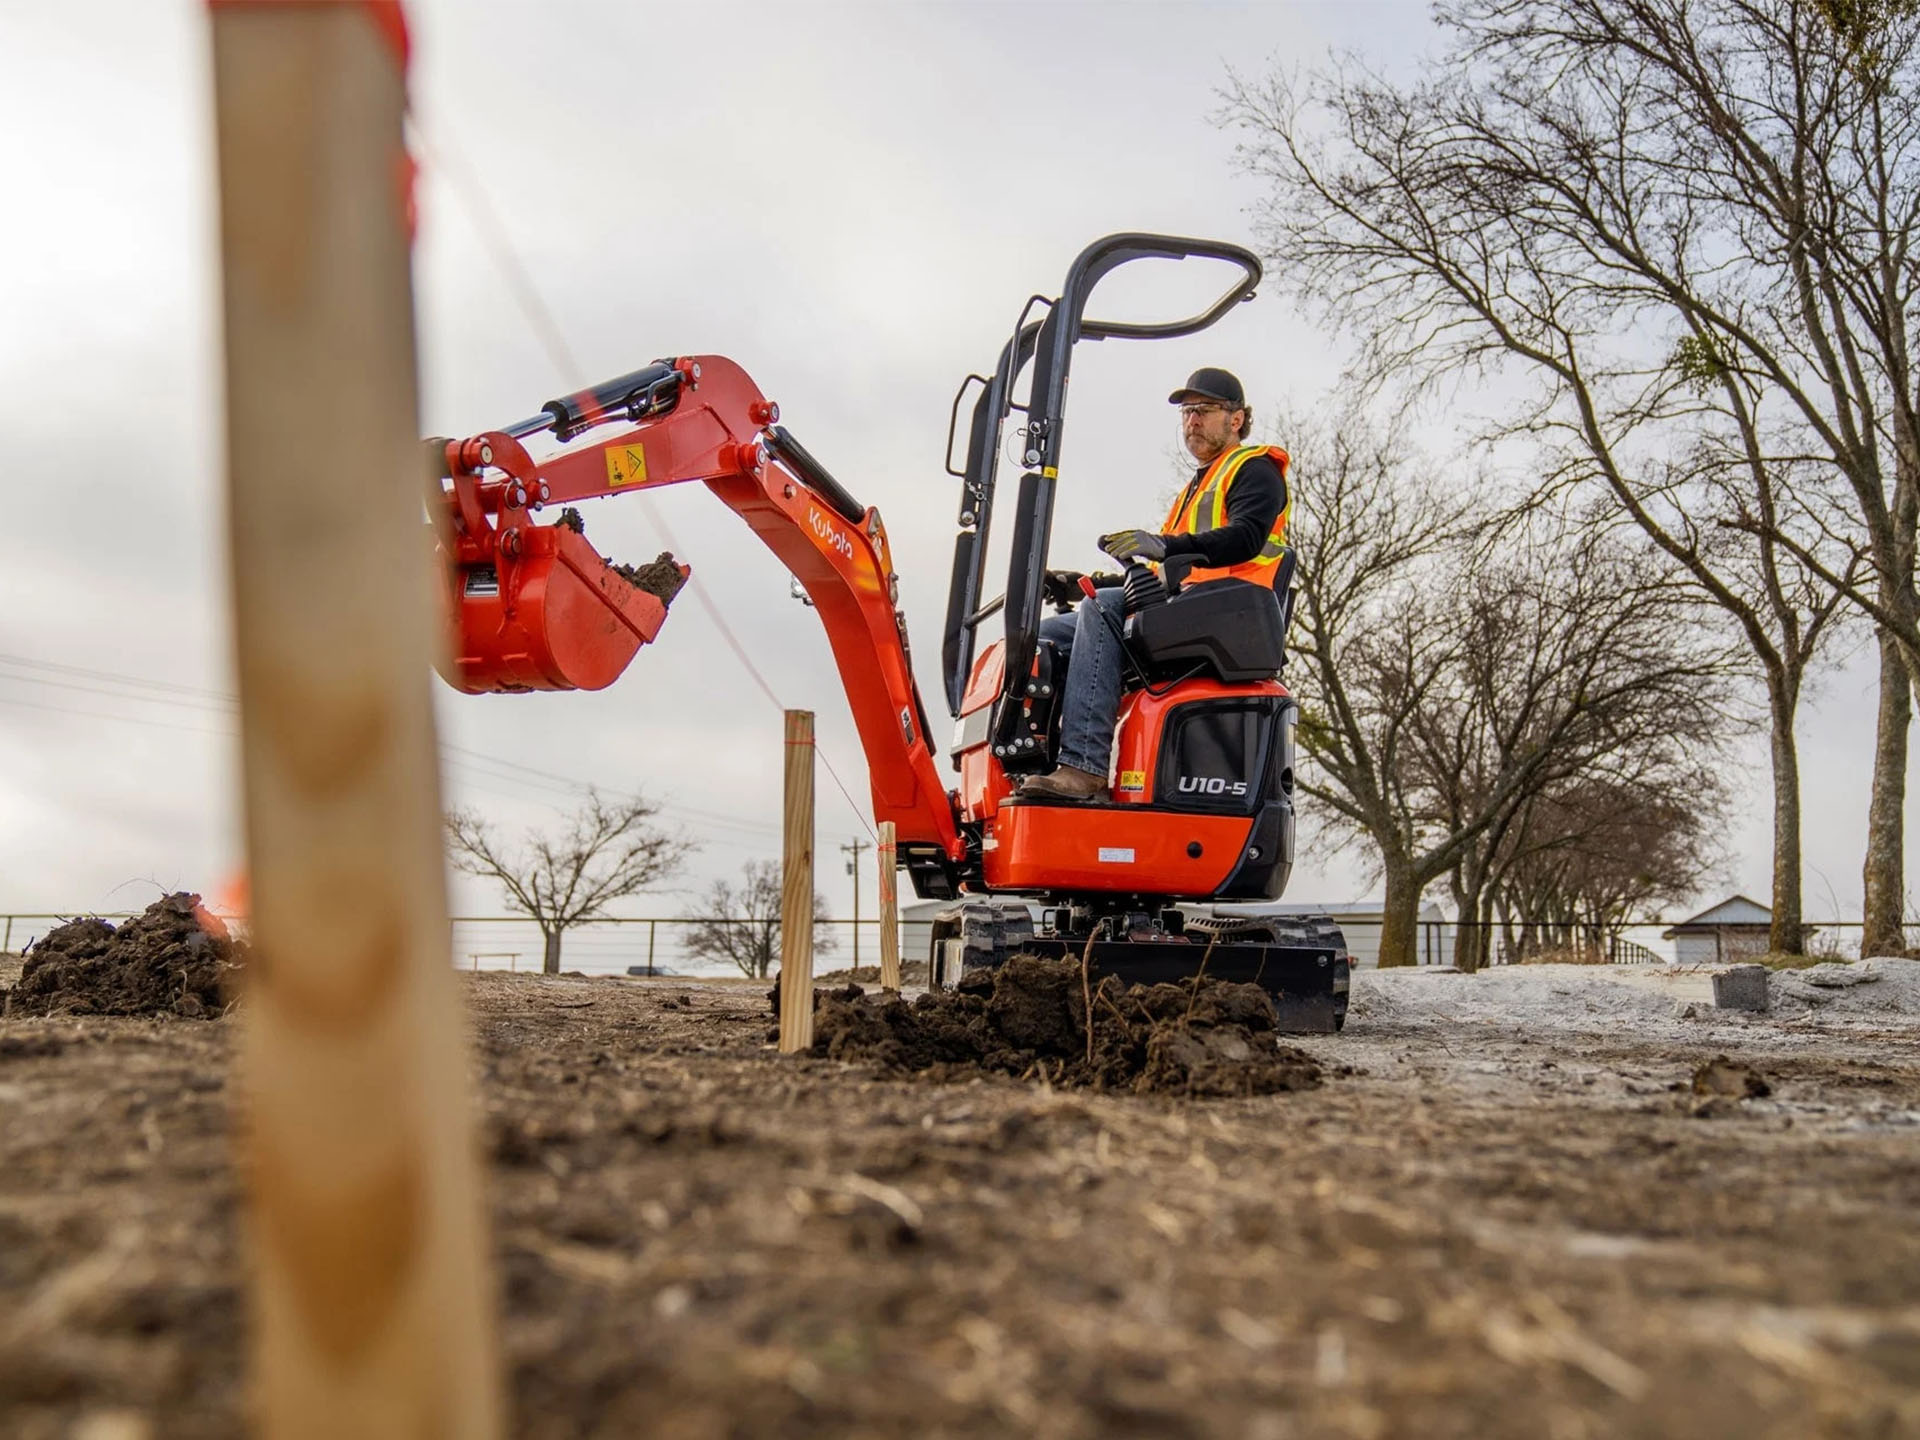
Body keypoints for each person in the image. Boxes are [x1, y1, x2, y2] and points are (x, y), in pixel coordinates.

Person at [1017, 367, 1291, 801]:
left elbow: (1245, 538)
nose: (1192, 422)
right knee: (1049, 635)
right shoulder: (1196, 489)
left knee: (1104, 611)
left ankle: (1084, 767)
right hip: (1192, 605)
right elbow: (1164, 573)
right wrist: (1086, 583)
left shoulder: (1254, 470)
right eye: (1186, 413)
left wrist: (1162, 544)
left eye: (1203, 411)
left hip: (1235, 611)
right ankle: (1035, 762)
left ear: (1236, 419)